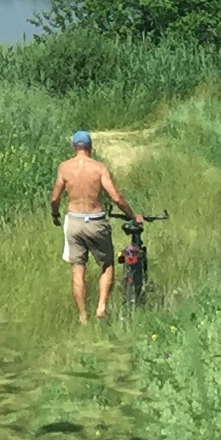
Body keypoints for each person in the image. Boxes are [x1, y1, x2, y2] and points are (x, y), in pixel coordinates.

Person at [52, 129, 131, 323]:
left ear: (74, 147)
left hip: (74, 221)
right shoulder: (99, 168)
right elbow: (116, 197)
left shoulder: (65, 168)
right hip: (95, 220)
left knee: (78, 270)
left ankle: (83, 316)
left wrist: (55, 214)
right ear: (90, 147)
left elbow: (55, 198)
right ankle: (101, 306)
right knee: (107, 264)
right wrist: (132, 215)